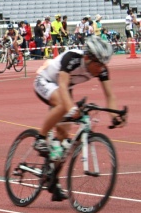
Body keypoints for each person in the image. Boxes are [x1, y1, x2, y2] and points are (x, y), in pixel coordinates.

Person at [33, 36, 123, 200]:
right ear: (88, 58)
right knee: (63, 105)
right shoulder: (72, 59)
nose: (101, 68)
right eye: (99, 64)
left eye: (104, 64)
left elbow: (110, 95)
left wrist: (115, 115)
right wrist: (72, 108)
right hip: (45, 81)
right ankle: (40, 137)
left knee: (64, 140)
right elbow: (62, 86)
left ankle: (52, 180)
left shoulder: (100, 68)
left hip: (65, 89)